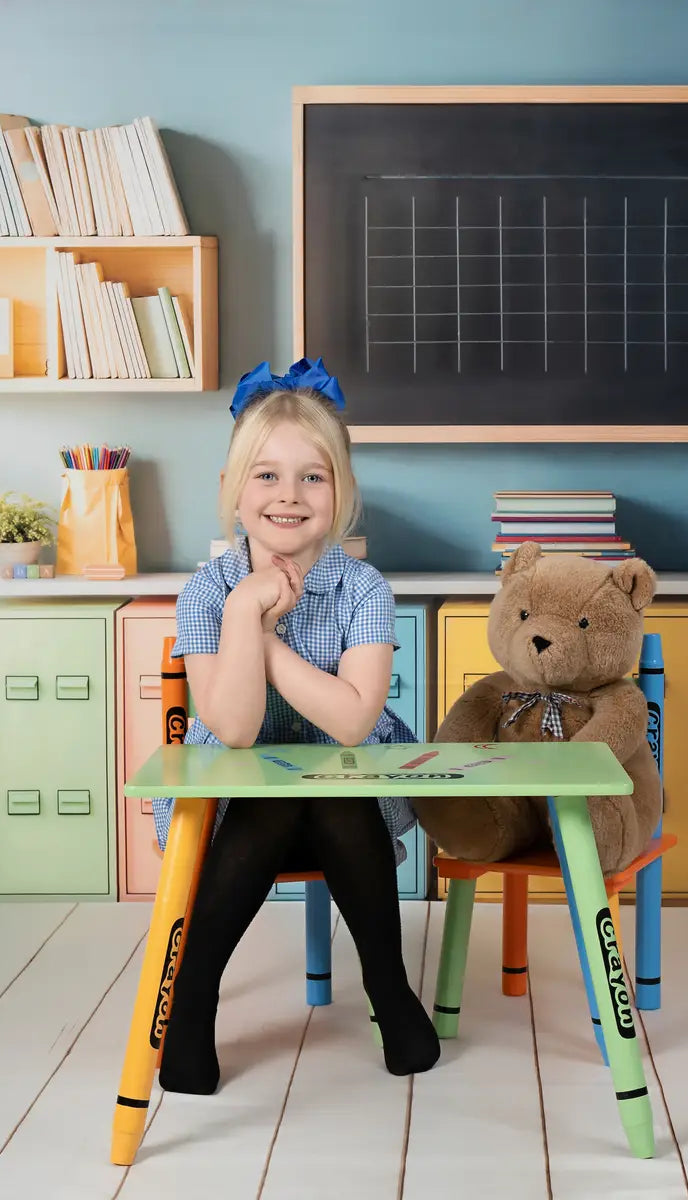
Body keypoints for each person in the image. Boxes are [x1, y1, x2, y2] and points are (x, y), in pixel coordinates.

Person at [154, 358, 440, 1094]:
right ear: (230, 491)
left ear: (342, 493)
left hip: (353, 800)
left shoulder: (363, 588)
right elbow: (237, 729)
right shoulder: (207, 591)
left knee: (331, 789)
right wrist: (243, 608)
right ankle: (194, 998)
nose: (288, 495)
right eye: (266, 476)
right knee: (275, 789)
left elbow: (351, 723)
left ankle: (386, 985)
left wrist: (266, 637)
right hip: (239, 811)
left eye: (313, 477)